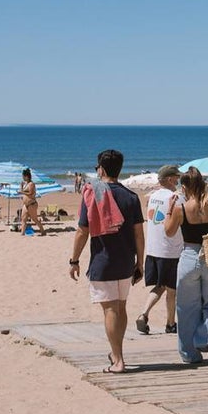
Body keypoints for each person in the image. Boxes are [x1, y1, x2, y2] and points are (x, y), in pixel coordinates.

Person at [68, 150, 145, 373]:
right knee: (120, 307)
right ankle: (116, 352)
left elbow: (83, 231)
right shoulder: (131, 197)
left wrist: (74, 260)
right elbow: (139, 234)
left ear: (101, 169)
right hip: (126, 260)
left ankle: (118, 360)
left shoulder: (93, 194)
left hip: (103, 260)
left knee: (110, 310)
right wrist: (140, 262)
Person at [164, 167, 208, 364]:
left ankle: (190, 354)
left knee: (186, 308)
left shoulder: (181, 209)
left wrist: (169, 209)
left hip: (190, 256)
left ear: (185, 187)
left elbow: (168, 232)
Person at [136, 165, 183, 336]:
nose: (178, 181)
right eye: (176, 178)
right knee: (171, 289)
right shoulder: (175, 198)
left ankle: (144, 314)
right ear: (170, 179)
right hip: (169, 250)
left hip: (153, 249)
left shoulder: (153, 197)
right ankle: (170, 323)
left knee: (160, 286)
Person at [19, 168, 47, 236]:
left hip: (32, 204)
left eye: (23, 176)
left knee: (34, 219)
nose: (22, 178)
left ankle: (43, 231)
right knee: (23, 219)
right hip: (26, 205)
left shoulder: (31, 184)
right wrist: (21, 186)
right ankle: (22, 233)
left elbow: (30, 193)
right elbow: (22, 192)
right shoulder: (26, 184)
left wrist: (22, 192)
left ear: (26, 176)